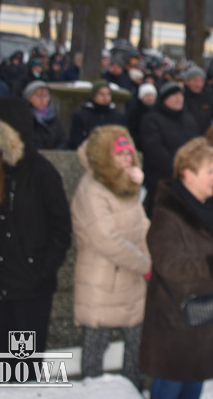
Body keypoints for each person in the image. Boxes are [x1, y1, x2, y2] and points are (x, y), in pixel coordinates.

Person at [140, 138, 213, 399]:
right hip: (176, 323)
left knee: (193, 388)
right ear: (188, 175)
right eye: (210, 172)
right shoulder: (166, 214)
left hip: (208, 320)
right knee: (170, 388)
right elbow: (171, 265)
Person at [0, 98, 71, 356]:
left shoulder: (42, 172)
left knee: (23, 371)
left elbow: (61, 227)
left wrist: (40, 269)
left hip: (29, 293)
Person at [72, 126, 150, 389]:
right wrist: (145, 264)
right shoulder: (92, 189)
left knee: (136, 341)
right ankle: (91, 391)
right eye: (120, 154)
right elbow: (105, 238)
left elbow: (142, 225)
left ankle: (132, 389)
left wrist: (153, 256)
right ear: (105, 156)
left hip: (130, 277)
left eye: (129, 153)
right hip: (102, 280)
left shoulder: (127, 183)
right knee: (95, 343)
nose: (128, 159)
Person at [140, 81, 200, 216]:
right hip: (162, 180)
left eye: (180, 95)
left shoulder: (188, 119)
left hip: (187, 179)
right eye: (174, 96)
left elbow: (197, 144)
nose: (179, 99)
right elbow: (154, 150)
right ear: (164, 99)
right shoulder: (151, 119)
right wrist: (178, 167)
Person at [69, 80, 127, 149]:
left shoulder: (118, 116)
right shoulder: (81, 115)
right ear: (94, 95)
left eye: (108, 94)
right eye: (101, 94)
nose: (105, 97)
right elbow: (75, 140)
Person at [24, 80, 68, 150]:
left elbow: (62, 140)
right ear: (29, 98)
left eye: (46, 95)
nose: (43, 99)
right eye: (39, 95)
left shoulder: (54, 116)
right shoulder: (25, 116)